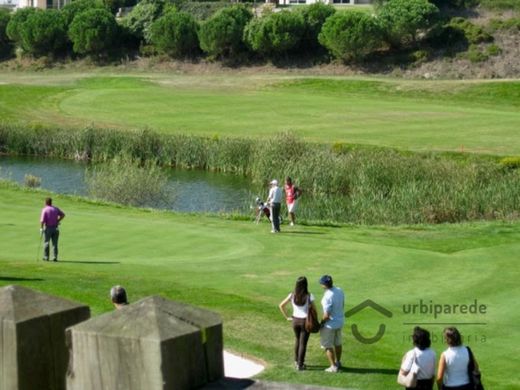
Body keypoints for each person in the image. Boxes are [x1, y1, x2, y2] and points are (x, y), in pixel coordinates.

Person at [279, 276, 317, 371]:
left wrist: (287, 317)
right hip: (305, 321)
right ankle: (300, 364)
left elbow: (281, 305)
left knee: (297, 340)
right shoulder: (309, 296)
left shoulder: (292, 295)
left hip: (295, 321)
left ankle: (296, 361)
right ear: (305, 285)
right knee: (303, 343)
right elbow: (315, 310)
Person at [319, 275, 345, 372]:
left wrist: (321, 323)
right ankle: (338, 362)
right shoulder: (339, 290)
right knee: (338, 343)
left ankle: (333, 367)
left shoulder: (327, 296)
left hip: (330, 325)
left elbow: (326, 314)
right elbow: (342, 304)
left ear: (324, 285)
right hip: (340, 321)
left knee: (328, 346)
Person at [40, 197, 65, 262]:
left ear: (46, 202)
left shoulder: (45, 209)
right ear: (51, 202)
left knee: (46, 242)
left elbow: (42, 221)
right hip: (56, 228)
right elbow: (63, 215)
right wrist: (57, 220)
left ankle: (46, 257)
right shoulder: (55, 208)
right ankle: (54, 257)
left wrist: (41, 228)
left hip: (48, 228)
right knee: (55, 243)